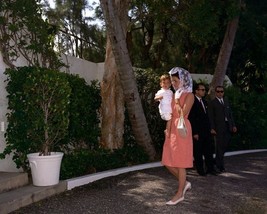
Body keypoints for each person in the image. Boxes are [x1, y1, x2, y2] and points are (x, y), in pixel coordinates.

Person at [161, 67, 194, 205]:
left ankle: (180, 193)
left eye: (175, 80)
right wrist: (167, 129)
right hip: (172, 129)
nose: (173, 83)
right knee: (166, 161)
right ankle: (185, 182)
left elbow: (182, 113)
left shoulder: (189, 95)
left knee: (181, 163)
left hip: (182, 129)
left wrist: (176, 100)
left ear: (183, 80)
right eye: (172, 81)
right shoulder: (174, 94)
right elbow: (169, 114)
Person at [188, 83, 217, 176]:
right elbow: (192, 118)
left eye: (204, 90)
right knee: (198, 152)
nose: (204, 91)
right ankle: (200, 170)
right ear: (196, 91)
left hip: (207, 131)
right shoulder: (192, 102)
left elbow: (207, 117)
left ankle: (210, 169)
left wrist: (211, 128)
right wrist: (195, 132)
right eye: (202, 90)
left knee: (208, 151)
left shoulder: (204, 101)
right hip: (198, 132)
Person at [208, 86, 237, 173]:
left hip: (228, 127)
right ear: (216, 92)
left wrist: (233, 125)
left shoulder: (226, 101)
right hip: (218, 128)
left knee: (224, 146)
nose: (220, 93)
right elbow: (210, 117)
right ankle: (220, 166)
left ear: (223, 92)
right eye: (218, 91)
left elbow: (230, 115)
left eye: (222, 91)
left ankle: (216, 161)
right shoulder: (212, 103)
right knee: (219, 147)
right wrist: (212, 128)